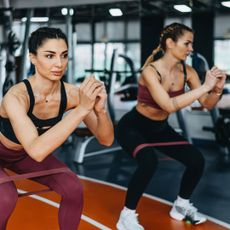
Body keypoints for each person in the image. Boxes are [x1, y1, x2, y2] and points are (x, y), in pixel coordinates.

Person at [0, 27, 114, 230]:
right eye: (50, 56)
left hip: (22, 155)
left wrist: (101, 111)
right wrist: (81, 110)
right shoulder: (17, 97)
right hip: (15, 151)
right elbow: (37, 151)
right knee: (6, 197)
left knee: (73, 188)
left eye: (64, 56)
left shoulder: (71, 94)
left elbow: (106, 140)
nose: (59, 64)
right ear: (32, 57)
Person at [116, 22, 226, 230]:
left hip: (159, 128)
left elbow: (206, 105)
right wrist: (205, 86)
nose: (191, 48)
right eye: (187, 43)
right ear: (170, 43)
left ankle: (181, 206)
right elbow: (167, 104)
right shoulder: (150, 71)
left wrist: (216, 90)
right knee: (148, 162)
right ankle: (126, 216)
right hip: (133, 127)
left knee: (196, 160)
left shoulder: (188, 72)